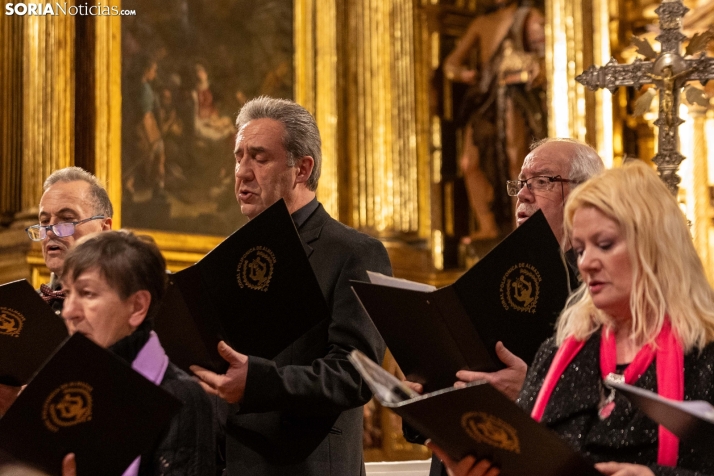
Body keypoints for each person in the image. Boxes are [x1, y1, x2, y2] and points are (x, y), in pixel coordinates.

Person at [433, 161, 714, 475]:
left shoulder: (705, 354)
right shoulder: (557, 353)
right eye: (580, 250)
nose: (587, 263)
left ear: (655, 245)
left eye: (604, 244)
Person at [190, 96, 392, 475]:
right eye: (238, 157)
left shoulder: (354, 253)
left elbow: (356, 375)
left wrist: (258, 382)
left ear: (302, 168)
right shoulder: (228, 260)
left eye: (259, 158)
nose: (242, 172)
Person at [407, 138, 604, 476]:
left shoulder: (602, 291)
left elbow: (617, 410)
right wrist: (426, 396)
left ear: (586, 195)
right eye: (521, 184)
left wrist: (529, 392)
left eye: (542, 182)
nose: (523, 195)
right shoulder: (489, 281)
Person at [61, 230, 216, 475]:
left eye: (87, 293)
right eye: (67, 293)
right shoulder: (64, 385)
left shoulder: (180, 398)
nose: (68, 312)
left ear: (137, 306)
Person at [0, 168, 114, 418]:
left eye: (66, 220)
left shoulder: (131, 306)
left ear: (105, 228)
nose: (50, 231)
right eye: (43, 222)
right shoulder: (25, 311)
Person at [445, 0, 546, 240]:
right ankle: (488, 226)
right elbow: (451, 64)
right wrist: (462, 73)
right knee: (469, 162)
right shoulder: (481, 23)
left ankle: (519, 225)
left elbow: (546, 55)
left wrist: (533, 68)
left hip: (514, 95)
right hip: (485, 97)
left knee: (516, 161)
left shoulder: (527, 16)